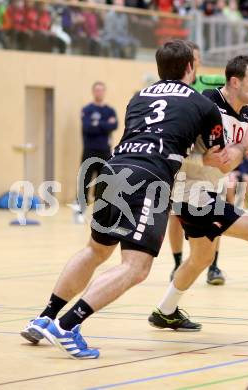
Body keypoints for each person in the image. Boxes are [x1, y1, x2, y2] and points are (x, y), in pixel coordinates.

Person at [20, 39, 230, 359]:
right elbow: (217, 159)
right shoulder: (203, 104)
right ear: (191, 67)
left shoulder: (138, 97)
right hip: (149, 180)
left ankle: (45, 316)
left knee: (95, 249)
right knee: (137, 266)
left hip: (112, 170)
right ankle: (67, 325)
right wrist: (246, 147)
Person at [148, 55, 248, 332]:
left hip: (207, 192)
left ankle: (165, 311)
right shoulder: (205, 106)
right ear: (234, 82)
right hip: (189, 192)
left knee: (202, 258)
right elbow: (198, 155)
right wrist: (229, 151)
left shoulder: (247, 116)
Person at [169, 26, 248, 285]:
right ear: (186, 63)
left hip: (216, 165)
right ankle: (178, 263)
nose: (196, 62)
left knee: (225, 193)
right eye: (193, 58)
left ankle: (212, 266)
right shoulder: (179, 92)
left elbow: (237, 78)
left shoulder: (208, 84)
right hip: (190, 170)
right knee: (176, 218)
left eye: (199, 57)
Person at [72, 81, 118, 224]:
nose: (99, 93)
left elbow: (114, 125)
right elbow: (87, 128)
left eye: (101, 90)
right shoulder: (87, 109)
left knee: (102, 183)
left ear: (104, 92)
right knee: (85, 181)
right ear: (93, 92)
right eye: (97, 90)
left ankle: (99, 215)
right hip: (89, 150)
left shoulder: (110, 110)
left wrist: (97, 124)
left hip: (105, 151)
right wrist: (105, 125)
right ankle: (79, 211)